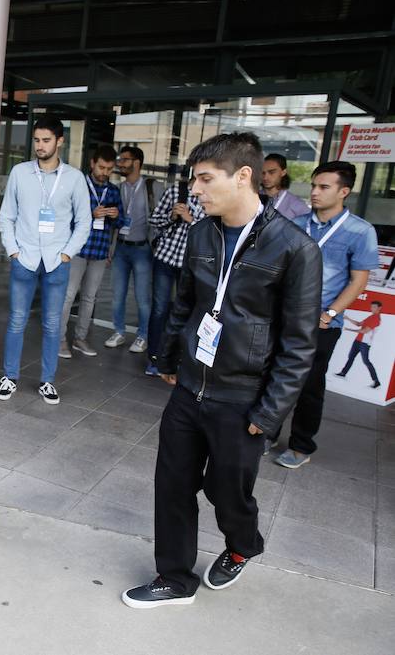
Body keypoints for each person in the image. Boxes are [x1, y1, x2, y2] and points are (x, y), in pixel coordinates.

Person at [122, 132, 321, 608]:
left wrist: (271, 412)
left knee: (226, 491)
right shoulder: (202, 232)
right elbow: (184, 302)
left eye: (206, 179)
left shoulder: (296, 249)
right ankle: (174, 577)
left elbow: (298, 344)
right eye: (195, 180)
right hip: (190, 387)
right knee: (172, 484)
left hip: (244, 398)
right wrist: (168, 357)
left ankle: (243, 544)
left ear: (243, 176)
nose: (197, 190)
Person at [270, 161, 379, 468]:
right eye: (314, 186)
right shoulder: (297, 222)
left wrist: (330, 314)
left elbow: (358, 280)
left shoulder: (360, 231)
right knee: (271, 375)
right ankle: (266, 432)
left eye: (323, 187)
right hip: (283, 314)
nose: (314, 192)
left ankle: (301, 446)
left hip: (320, 322)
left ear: (344, 191)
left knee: (308, 385)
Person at [0, 114, 90, 405]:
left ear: (60, 141)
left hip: (55, 262)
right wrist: (13, 251)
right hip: (24, 258)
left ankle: (48, 381)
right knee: (16, 321)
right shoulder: (19, 173)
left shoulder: (74, 178)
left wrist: (65, 254)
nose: (40, 145)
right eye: (36, 140)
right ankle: (10, 377)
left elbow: (83, 222)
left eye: (46, 140)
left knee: (52, 324)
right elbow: (6, 216)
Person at [59, 145, 126, 359]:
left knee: (90, 297)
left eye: (109, 169)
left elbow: (122, 222)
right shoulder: (79, 185)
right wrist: (91, 213)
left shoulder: (114, 191)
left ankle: (80, 338)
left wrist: (115, 216)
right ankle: (59, 340)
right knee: (68, 296)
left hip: (99, 251)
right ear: (92, 164)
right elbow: (65, 217)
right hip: (77, 249)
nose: (105, 172)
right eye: (101, 167)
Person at [144, 180, 207, 376]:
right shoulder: (176, 190)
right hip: (165, 257)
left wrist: (191, 219)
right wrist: (172, 216)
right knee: (160, 309)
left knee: (184, 312)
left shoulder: (211, 196)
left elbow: (213, 231)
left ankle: (176, 359)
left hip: (191, 263)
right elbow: (153, 220)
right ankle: (153, 358)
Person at [105, 146, 163, 354]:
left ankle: (143, 336)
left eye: (124, 160)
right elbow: (115, 222)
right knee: (117, 295)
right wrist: (111, 248)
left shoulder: (152, 186)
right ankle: (119, 331)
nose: (120, 164)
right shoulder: (119, 188)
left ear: (137, 162)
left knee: (142, 297)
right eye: (120, 160)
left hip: (143, 250)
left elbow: (161, 218)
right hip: (121, 248)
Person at [337, 301, 384, 389]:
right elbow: (359, 324)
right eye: (371, 307)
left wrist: (348, 329)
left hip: (365, 343)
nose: (372, 308)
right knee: (351, 357)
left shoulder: (376, 319)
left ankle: (376, 381)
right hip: (358, 341)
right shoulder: (371, 316)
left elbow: (364, 331)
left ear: (379, 308)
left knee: (366, 361)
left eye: (374, 307)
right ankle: (343, 373)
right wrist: (348, 318)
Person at [261, 153, 309, 219]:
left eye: (271, 172)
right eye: (263, 173)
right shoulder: (253, 197)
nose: (265, 177)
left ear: (283, 172)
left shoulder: (298, 205)